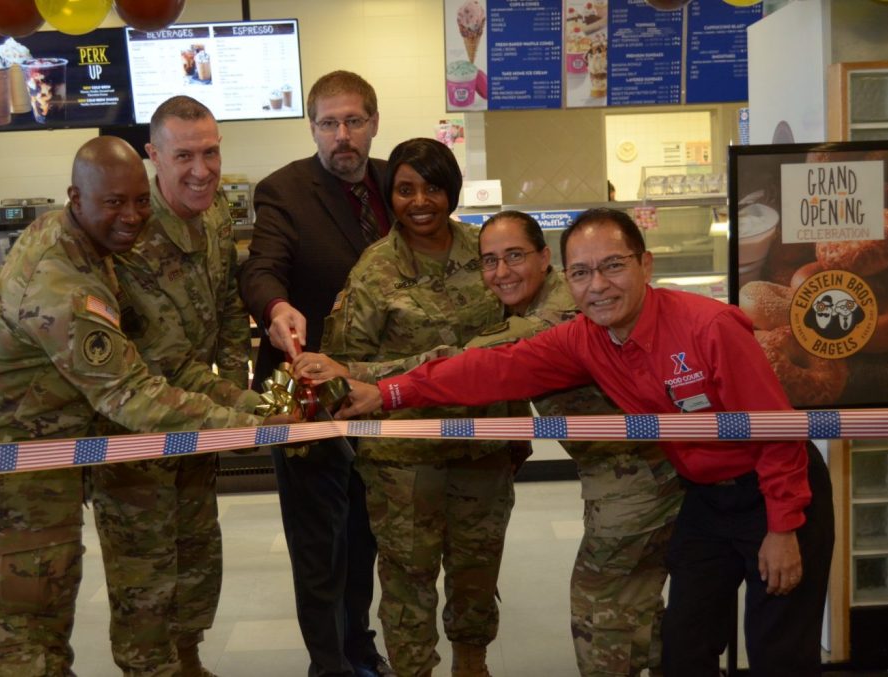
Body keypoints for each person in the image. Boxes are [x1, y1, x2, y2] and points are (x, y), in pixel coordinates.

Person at [337, 208, 835, 677]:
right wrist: (387, 392)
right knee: (686, 645)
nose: (597, 286)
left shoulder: (709, 327)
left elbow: (775, 427)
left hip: (777, 489)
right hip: (705, 498)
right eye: (582, 273)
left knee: (778, 651)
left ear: (645, 264)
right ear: (568, 278)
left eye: (612, 267)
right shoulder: (587, 338)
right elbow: (489, 368)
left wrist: (783, 526)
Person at [0, 137, 285, 677]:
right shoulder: (63, 283)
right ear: (76, 198)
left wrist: (256, 408)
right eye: (114, 203)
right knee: (25, 629)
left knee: (44, 617)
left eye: (138, 201)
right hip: (7, 473)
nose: (132, 216)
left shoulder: (87, 245)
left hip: (42, 456)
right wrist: (250, 426)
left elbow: (162, 361)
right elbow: (131, 395)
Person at [297, 210, 683, 676]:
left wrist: (363, 378)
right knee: (636, 608)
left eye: (515, 257)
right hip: (626, 475)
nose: (501, 273)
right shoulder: (534, 303)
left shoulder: (556, 313)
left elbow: (473, 361)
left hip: (638, 480)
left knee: (602, 616)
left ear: (544, 258)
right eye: (489, 262)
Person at [320, 137, 514, 677]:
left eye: (432, 186)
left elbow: (521, 337)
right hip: (403, 460)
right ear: (391, 196)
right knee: (409, 580)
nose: (420, 200)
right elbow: (344, 364)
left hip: (484, 449)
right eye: (405, 189)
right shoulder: (375, 269)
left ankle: (472, 663)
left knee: (477, 572)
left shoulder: (487, 254)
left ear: (450, 190)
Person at [90, 96, 260, 677]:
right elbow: (169, 359)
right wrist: (246, 410)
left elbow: (232, 312)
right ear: (152, 156)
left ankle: (188, 661)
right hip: (136, 436)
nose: (201, 169)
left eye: (210, 152)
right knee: (144, 576)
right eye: (184, 154)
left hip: (198, 430)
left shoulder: (214, 216)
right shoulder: (128, 234)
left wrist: (238, 383)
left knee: (196, 558)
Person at [238, 70, 392, 677]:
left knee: (365, 532)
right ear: (313, 128)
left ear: (374, 123)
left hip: (377, 391)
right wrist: (277, 309)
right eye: (328, 123)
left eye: (354, 121)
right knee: (317, 541)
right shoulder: (284, 190)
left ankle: (359, 643)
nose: (342, 136)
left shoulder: (393, 183)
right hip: (304, 392)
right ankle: (327, 663)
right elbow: (260, 268)